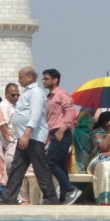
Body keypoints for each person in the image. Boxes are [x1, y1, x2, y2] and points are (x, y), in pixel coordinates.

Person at [0, 67, 59, 205]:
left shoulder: (36, 92)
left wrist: (26, 134)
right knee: (17, 168)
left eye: (21, 77)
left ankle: (51, 198)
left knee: (40, 168)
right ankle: (9, 197)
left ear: (30, 77)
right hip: (24, 137)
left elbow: (35, 115)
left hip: (33, 137)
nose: (19, 80)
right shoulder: (28, 92)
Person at [41, 68, 80, 205]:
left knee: (49, 163)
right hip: (54, 133)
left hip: (61, 133)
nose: (43, 81)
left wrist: (62, 130)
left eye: (46, 78)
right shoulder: (50, 97)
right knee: (60, 166)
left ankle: (70, 189)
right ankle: (64, 197)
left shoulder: (61, 94)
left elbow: (70, 112)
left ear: (55, 80)